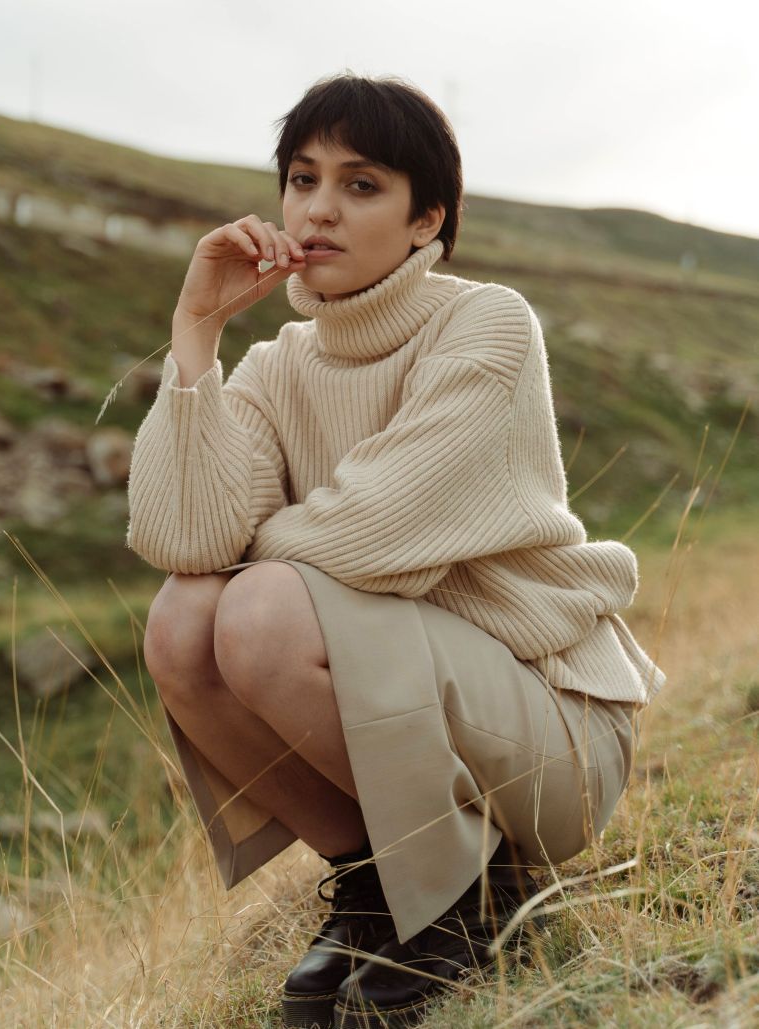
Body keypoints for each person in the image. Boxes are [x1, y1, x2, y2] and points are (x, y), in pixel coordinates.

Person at [126, 72, 666, 1029]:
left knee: (255, 608)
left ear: (428, 221)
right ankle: (381, 885)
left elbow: (375, 532)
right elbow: (185, 541)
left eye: (362, 184)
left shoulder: (487, 324)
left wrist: (258, 558)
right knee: (181, 622)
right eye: (303, 179)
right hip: (414, 705)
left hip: (549, 730)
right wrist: (197, 337)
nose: (319, 209)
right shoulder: (276, 367)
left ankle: (477, 893)